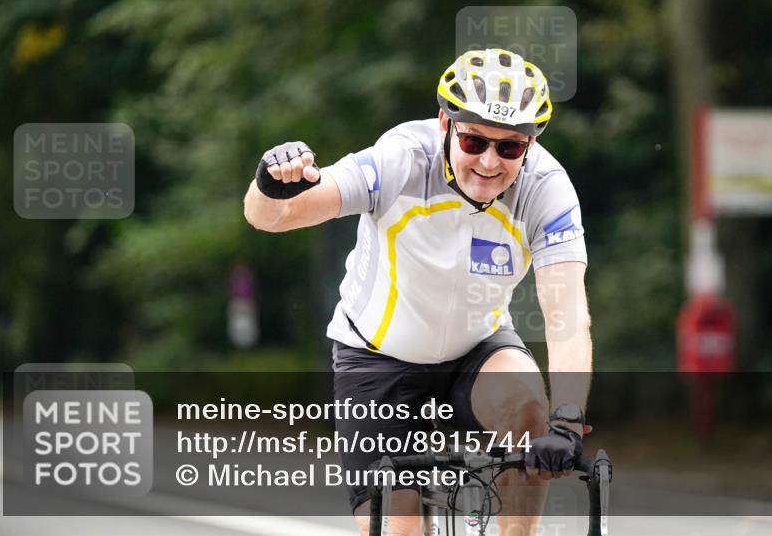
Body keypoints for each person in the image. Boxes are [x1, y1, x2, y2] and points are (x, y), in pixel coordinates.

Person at [244, 48, 592, 536]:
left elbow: (567, 315)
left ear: (529, 146)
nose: (490, 162)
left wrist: (568, 422)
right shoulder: (400, 159)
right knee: (398, 529)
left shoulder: (547, 189)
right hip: (376, 355)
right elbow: (272, 218)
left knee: (530, 410)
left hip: (478, 348)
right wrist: (269, 185)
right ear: (445, 123)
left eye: (510, 148)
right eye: (474, 140)